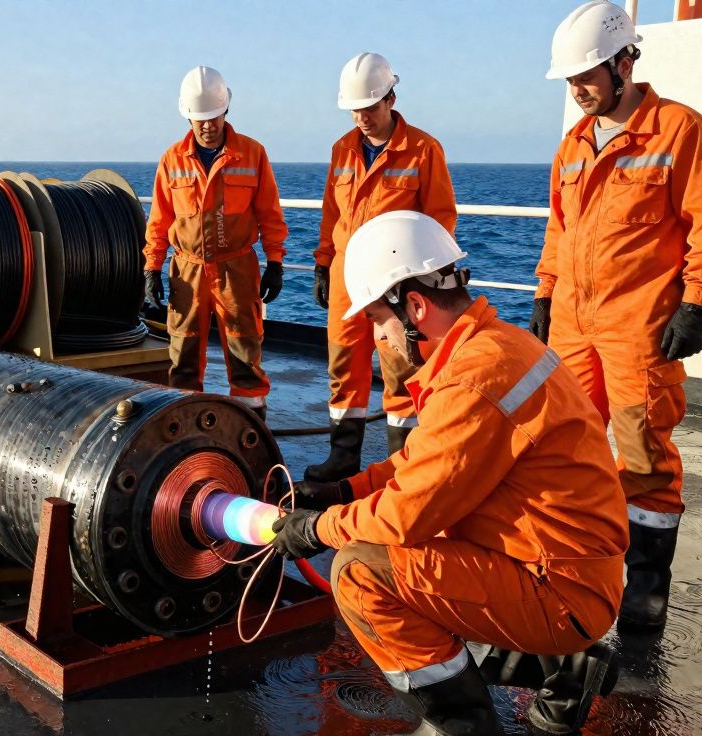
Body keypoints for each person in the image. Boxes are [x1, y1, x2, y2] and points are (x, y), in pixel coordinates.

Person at [273, 211, 628, 734]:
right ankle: (565, 667)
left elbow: (405, 514)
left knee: (361, 570)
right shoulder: (498, 347)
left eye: (377, 321)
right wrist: (342, 490)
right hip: (564, 570)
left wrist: (318, 528)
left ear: (414, 306)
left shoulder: (473, 383)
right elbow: (425, 462)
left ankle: (463, 724)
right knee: (409, 552)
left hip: (557, 591)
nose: (381, 341)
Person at [534, 0, 702, 630]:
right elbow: (559, 229)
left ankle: (647, 586)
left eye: (587, 76)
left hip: (638, 327)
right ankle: (570, 566)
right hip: (573, 323)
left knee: (644, 456)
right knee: (560, 446)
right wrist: (546, 291)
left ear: (625, 62)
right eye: (570, 80)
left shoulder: (681, 131)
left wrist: (698, 302)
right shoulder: (572, 144)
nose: (578, 90)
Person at [307, 52, 457, 483]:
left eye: (370, 108)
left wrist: (426, 281)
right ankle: (342, 458)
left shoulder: (424, 150)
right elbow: (330, 214)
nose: (363, 118)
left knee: (403, 368)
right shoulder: (342, 150)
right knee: (343, 365)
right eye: (355, 110)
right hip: (346, 280)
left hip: (397, 281)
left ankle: (403, 465)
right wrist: (322, 264)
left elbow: (440, 217)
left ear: (391, 98)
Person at [142, 66, 289, 419]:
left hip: (236, 268)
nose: (208, 126)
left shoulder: (252, 155)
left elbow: (270, 213)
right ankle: (187, 432)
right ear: (188, 118)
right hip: (187, 270)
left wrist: (276, 263)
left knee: (244, 352)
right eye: (199, 119)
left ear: (226, 110)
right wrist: (152, 268)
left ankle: (249, 429)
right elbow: (160, 220)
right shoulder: (172, 160)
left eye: (213, 117)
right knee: (184, 355)